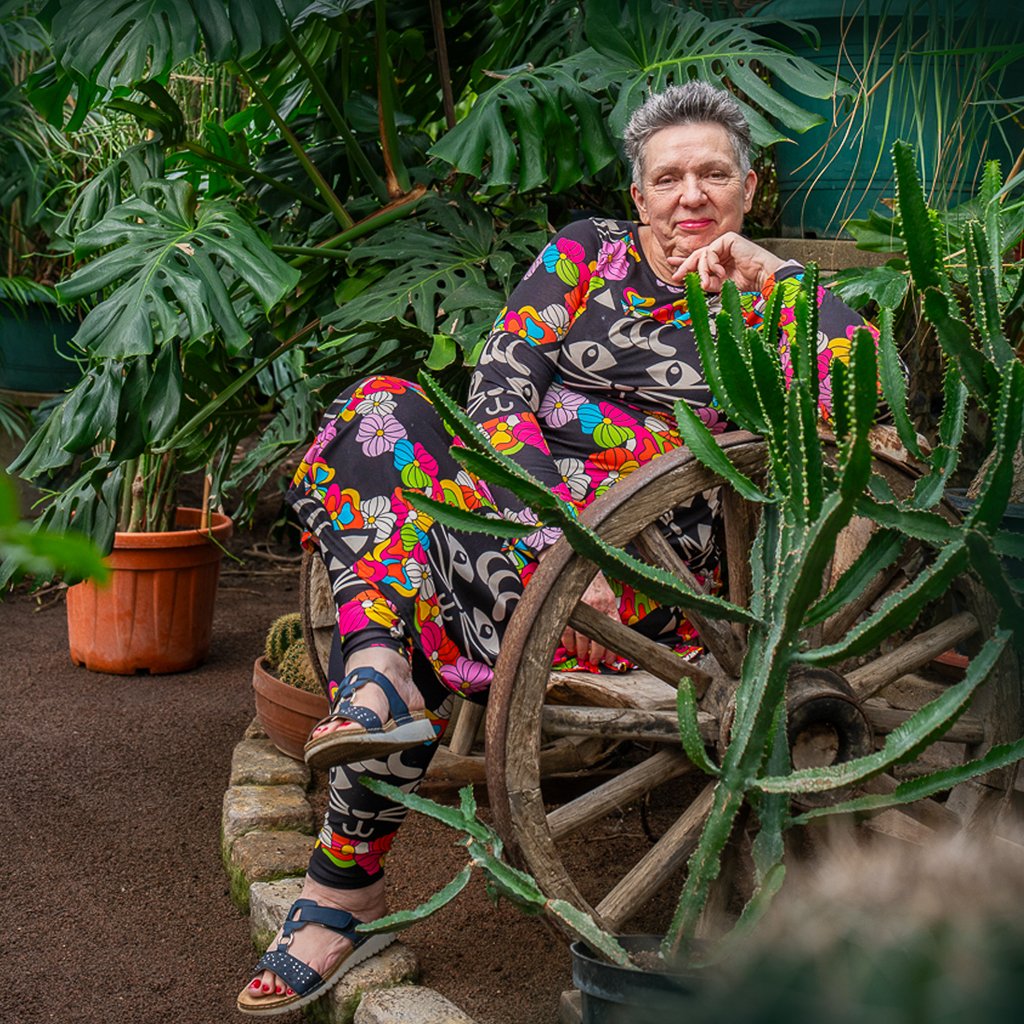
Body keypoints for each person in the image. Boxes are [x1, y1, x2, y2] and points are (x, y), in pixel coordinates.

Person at [236, 80, 873, 1015]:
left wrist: (774, 280)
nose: (690, 195)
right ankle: (377, 677)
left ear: (747, 191)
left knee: (405, 578)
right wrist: (555, 548)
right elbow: (500, 387)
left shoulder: (779, 304)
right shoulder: (589, 254)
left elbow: (868, 410)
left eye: (713, 175)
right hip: (525, 536)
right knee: (380, 410)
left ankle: (339, 888)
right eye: (668, 178)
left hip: (656, 591)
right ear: (639, 195)